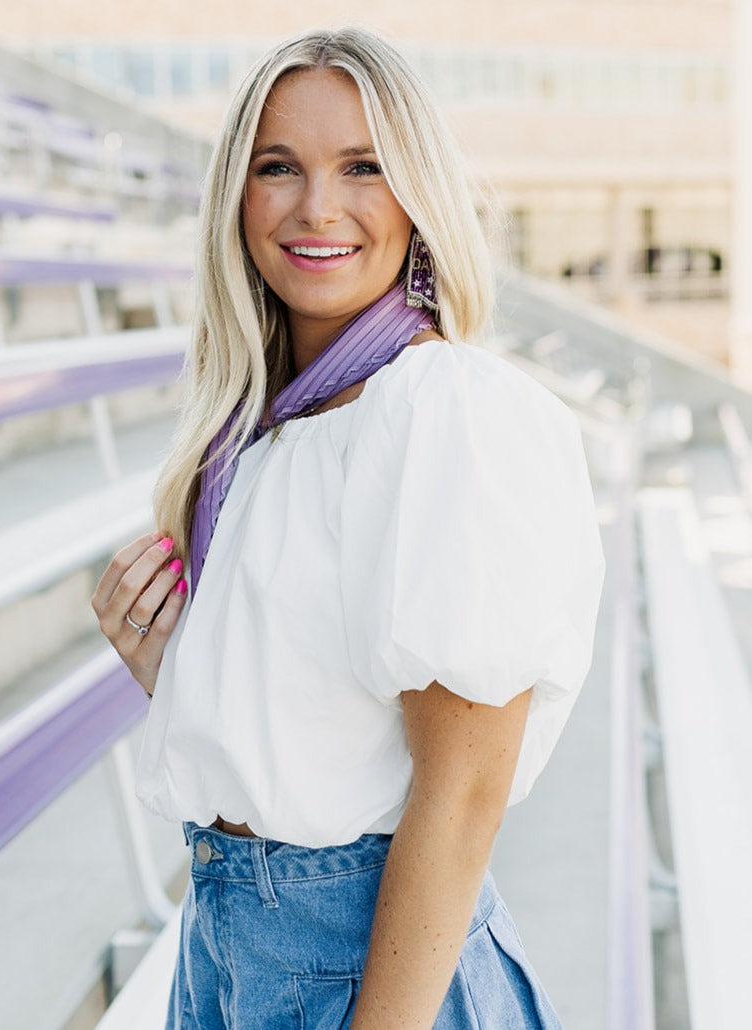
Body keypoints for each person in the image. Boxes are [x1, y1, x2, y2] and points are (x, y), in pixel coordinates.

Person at [92, 27, 606, 1030]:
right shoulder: (266, 429)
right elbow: (326, 738)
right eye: (277, 166)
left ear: (416, 195)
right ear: (235, 198)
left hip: (361, 968)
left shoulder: (440, 413)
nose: (316, 208)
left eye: (362, 167)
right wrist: (178, 669)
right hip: (229, 942)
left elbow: (459, 800)